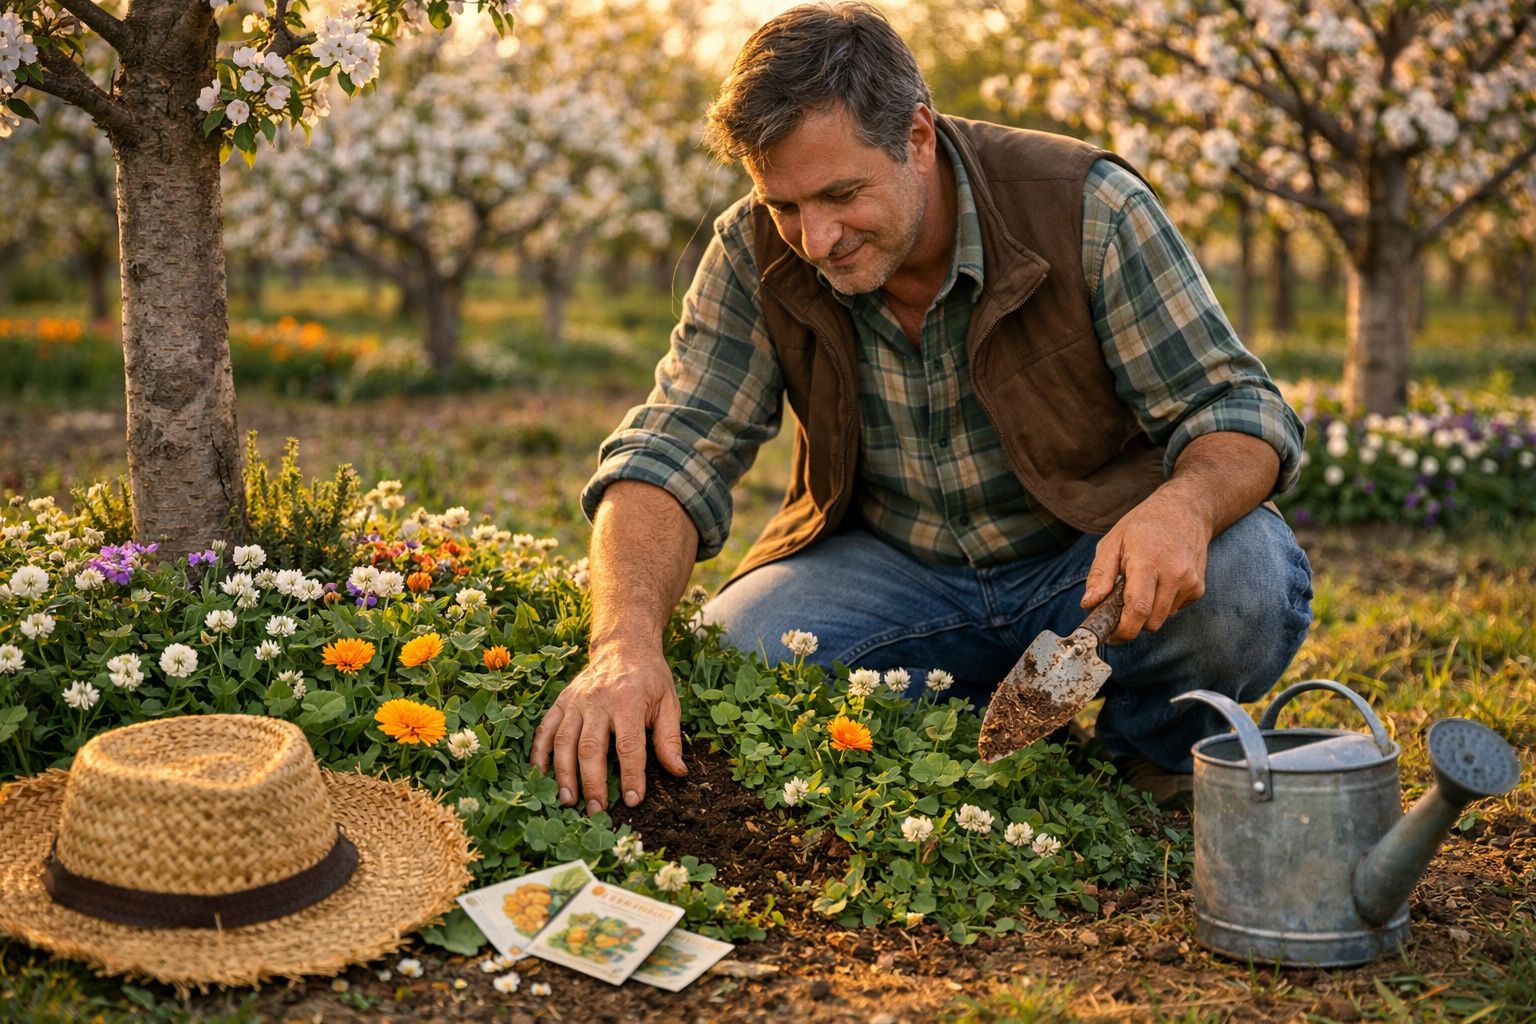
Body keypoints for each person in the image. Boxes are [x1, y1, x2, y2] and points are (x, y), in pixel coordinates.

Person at [530, 2, 1312, 813]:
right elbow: (674, 447)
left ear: (917, 137)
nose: (817, 238)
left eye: (840, 194)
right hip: (895, 571)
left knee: (1246, 577)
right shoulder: (752, 252)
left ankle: (1146, 749)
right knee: (737, 652)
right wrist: (622, 647)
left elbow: (1237, 407)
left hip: (1087, 561)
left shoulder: (1088, 208)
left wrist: (1182, 506)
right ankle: (963, 728)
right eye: (786, 205)